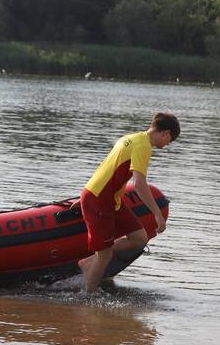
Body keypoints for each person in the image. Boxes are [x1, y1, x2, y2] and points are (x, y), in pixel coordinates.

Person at [77, 112, 180, 293]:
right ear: (165, 133)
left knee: (140, 238)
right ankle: (89, 296)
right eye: (170, 140)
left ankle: (90, 262)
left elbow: (105, 167)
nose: (168, 144)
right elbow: (139, 184)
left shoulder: (130, 138)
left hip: (110, 199)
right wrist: (157, 214)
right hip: (100, 200)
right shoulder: (143, 146)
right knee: (105, 254)